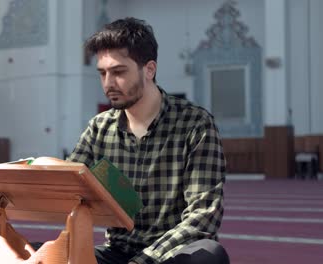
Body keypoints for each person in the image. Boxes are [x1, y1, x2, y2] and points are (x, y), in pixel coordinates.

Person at [67, 17, 229, 264]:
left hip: (173, 253)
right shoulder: (99, 128)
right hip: (117, 253)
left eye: (119, 72)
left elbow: (203, 215)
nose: (108, 83)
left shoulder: (195, 125)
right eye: (103, 73)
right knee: (43, 253)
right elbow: (68, 186)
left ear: (149, 70)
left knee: (209, 255)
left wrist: (144, 260)